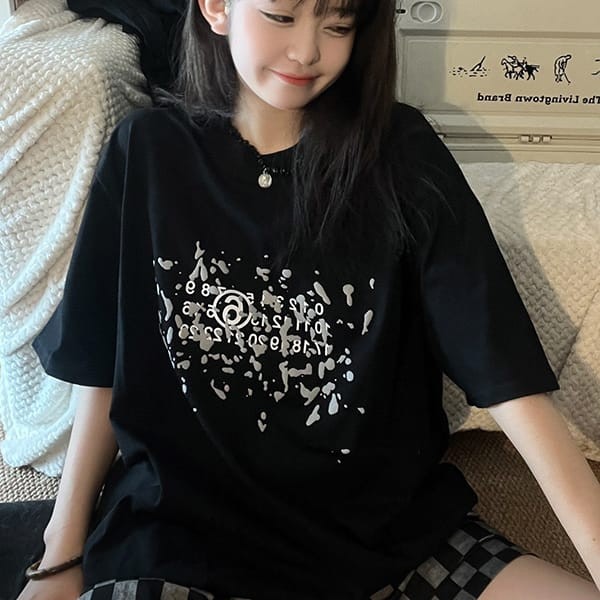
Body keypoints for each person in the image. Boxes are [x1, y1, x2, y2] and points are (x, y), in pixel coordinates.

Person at [16, 0, 600, 599]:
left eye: (338, 24)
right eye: (280, 16)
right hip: (182, 540)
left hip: (384, 538)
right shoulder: (146, 151)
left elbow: (504, 373)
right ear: (216, 8)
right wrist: (61, 556)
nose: (307, 51)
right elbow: (101, 367)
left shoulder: (401, 151)